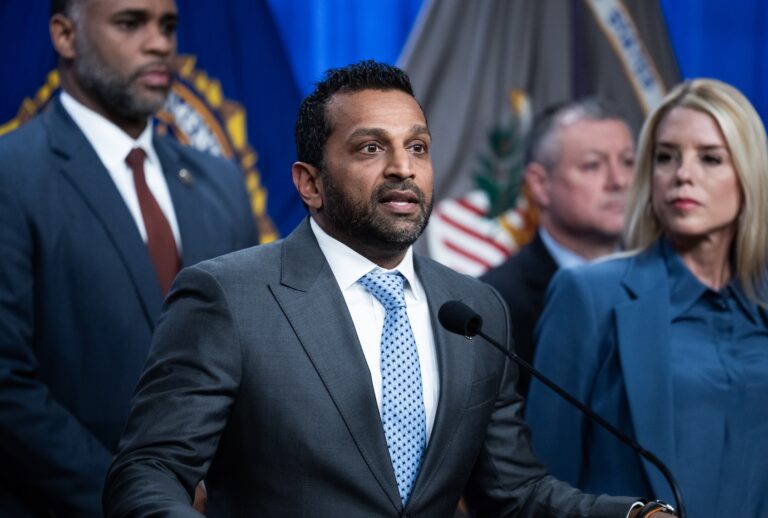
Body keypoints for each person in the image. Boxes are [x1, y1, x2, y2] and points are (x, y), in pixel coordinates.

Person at [103, 61, 673, 518]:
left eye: (418, 147)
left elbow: (514, 492)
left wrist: (630, 516)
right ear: (310, 183)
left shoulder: (474, 310)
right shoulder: (229, 297)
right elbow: (148, 475)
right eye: (371, 148)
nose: (403, 168)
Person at [0, 0, 257, 515]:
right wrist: (141, 501)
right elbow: (6, 383)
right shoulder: (11, 175)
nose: (160, 42)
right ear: (65, 35)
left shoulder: (222, 184)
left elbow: (256, 363)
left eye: (168, 25)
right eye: (130, 22)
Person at [525, 78, 768, 517]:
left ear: (748, 174)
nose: (683, 175)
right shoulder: (589, 296)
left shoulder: (760, 306)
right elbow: (539, 488)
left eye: (710, 158)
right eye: (665, 157)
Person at [481, 99, 634, 396]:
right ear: (540, 185)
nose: (620, 181)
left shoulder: (664, 282)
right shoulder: (495, 304)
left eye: (629, 162)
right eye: (593, 165)